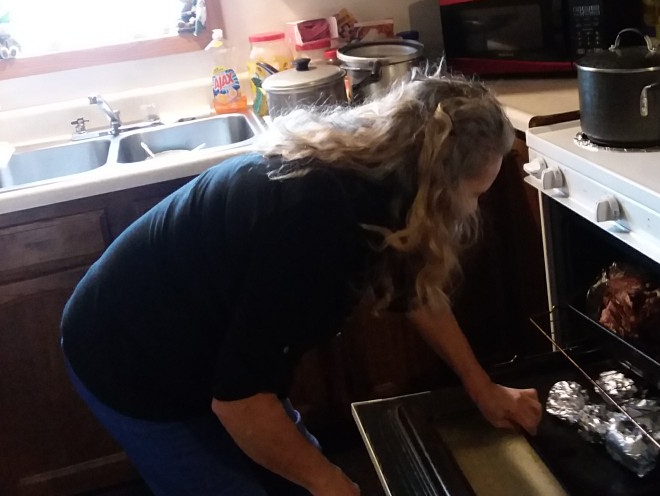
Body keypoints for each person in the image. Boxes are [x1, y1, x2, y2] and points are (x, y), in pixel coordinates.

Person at [61, 73, 543, 496]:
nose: (473, 210)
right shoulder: (318, 226)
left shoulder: (386, 171)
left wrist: (482, 386)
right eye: (474, 193)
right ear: (436, 185)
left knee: (299, 475)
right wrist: (326, 481)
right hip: (126, 357)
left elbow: (415, 288)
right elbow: (241, 403)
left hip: (207, 347)